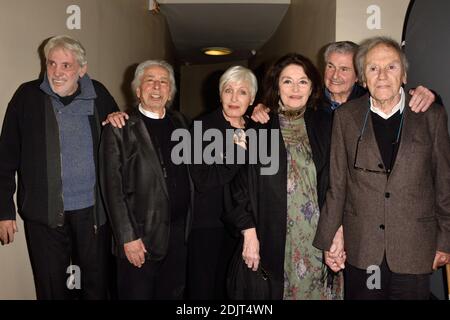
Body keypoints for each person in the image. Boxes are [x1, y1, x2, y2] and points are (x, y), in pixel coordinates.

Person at [313, 37, 450, 300]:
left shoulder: (431, 116)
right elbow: (338, 185)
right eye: (373, 68)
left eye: (392, 67)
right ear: (363, 77)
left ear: (405, 74)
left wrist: (445, 240)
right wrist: (329, 239)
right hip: (363, 246)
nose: (383, 76)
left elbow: (444, 182)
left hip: (415, 246)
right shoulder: (346, 117)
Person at [0, 35, 118, 299]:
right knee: (52, 287)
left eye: (66, 65)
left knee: (96, 285)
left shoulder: (99, 95)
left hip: (93, 212)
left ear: (82, 69)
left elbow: (118, 145)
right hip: (45, 214)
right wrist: (4, 210)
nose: (56, 72)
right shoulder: (26, 97)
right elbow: (5, 157)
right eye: (51, 63)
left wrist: (119, 118)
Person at [224, 53, 343, 300]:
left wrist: (338, 232)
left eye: (303, 81)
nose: (295, 88)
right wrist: (249, 233)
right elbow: (238, 187)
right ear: (277, 86)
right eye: (287, 81)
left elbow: (340, 184)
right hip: (272, 239)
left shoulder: (329, 124)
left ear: (313, 87)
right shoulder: (259, 127)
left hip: (319, 240)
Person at [99, 60, 192, 300]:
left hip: (179, 236)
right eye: (150, 81)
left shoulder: (181, 123)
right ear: (138, 90)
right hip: (140, 239)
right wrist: (128, 238)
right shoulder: (119, 128)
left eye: (163, 82)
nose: (157, 87)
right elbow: (112, 189)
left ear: (170, 92)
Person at [187, 66, 257, 299]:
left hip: (244, 225)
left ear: (252, 98)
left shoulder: (256, 128)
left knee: (234, 289)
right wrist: (236, 153)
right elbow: (203, 180)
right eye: (228, 90)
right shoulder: (201, 128)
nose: (234, 98)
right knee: (205, 288)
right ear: (220, 95)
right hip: (209, 223)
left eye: (242, 92)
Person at [250, 41, 435, 123]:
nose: (335, 75)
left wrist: (430, 96)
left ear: (358, 75)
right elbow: (282, 105)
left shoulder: (371, 100)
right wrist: (262, 108)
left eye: (344, 69)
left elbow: (404, 102)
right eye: (330, 66)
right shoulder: (310, 99)